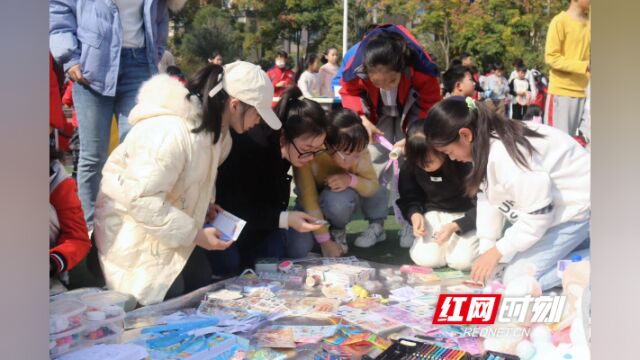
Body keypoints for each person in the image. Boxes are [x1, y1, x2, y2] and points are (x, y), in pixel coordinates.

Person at [93, 61, 283, 305]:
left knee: (199, 281)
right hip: (128, 230)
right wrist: (195, 234)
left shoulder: (219, 136)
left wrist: (205, 208)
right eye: (258, 112)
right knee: (171, 294)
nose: (259, 121)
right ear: (235, 105)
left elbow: (189, 184)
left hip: (163, 224)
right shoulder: (170, 132)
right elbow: (141, 199)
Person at [423, 97, 590, 291]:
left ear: (465, 135)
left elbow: (538, 216)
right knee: (505, 266)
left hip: (575, 213)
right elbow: (489, 199)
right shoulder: (486, 141)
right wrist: (487, 248)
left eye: (448, 151)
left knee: (517, 282)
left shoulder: (505, 156)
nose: (451, 158)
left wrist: (496, 251)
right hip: (558, 213)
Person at [49, 0, 187, 234]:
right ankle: (88, 229)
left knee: (135, 151)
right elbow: (59, 9)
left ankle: (131, 225)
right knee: (93, 155)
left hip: (140, 63)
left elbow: (161, 13)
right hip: (90, 66)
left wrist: (156, 51)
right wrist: (70, 56)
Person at [212, 86, 330, 275]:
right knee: (230, 262)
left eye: (317, 149)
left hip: (261, 223)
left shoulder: (286, 150)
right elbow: (236, 208)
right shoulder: (253, 146)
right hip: (226, 220)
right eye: (307, 148)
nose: (311, 157)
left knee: (272, 260)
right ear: (284, 136)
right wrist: (285, 219)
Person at [292, 109, 387, 254]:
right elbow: (309, 199)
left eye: (359, 154)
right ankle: (326, 234)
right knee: (299, 247)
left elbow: (373, 186)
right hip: (311, 204)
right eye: (348, 154)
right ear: (330, 147)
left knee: (337, 200)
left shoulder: (357, 148)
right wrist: (324, 241)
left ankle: (339, 229)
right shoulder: (310, 154)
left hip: (340, 200)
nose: (355, 159)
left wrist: (350, 180)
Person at [397, 121, 478, 270]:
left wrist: (457, 225)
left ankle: (460, 247)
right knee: (427, 259)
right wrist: (414, 214)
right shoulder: (411, 165)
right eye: (418, 162)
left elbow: (484, 204)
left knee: (462, 262)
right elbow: (409, 196)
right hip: (434, 213)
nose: (423, 166)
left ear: (442, 150)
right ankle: (441, 249)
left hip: (466, 214)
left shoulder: (463, 162)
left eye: (428, 161)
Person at [544, 0, 590, 135]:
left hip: (586, 94)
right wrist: (585, 66)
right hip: (563, 94)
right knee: (558, 144)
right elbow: (552, 58)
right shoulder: (559, 21)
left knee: (582, 148)